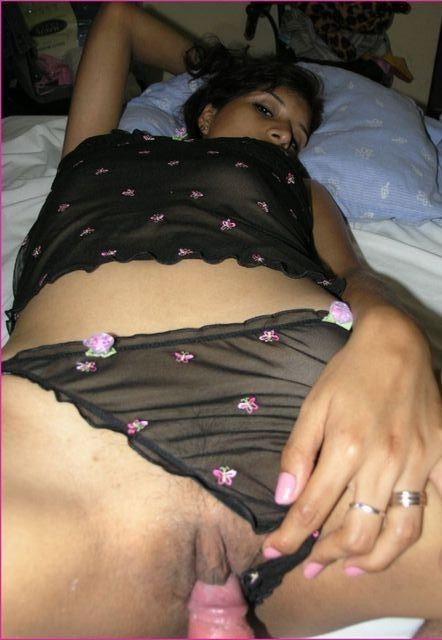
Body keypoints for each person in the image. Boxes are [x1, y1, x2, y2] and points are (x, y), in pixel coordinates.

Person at [3, 3, 442, 638]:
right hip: (64, 419)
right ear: (207, 113)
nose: (282, 134)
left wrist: (394, 331)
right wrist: (224, 68)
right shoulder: (95, 152)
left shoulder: (297, 183)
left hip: (302, 418)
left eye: (296, 132)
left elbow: (354, 275)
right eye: (266, 109)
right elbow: (119, 17)